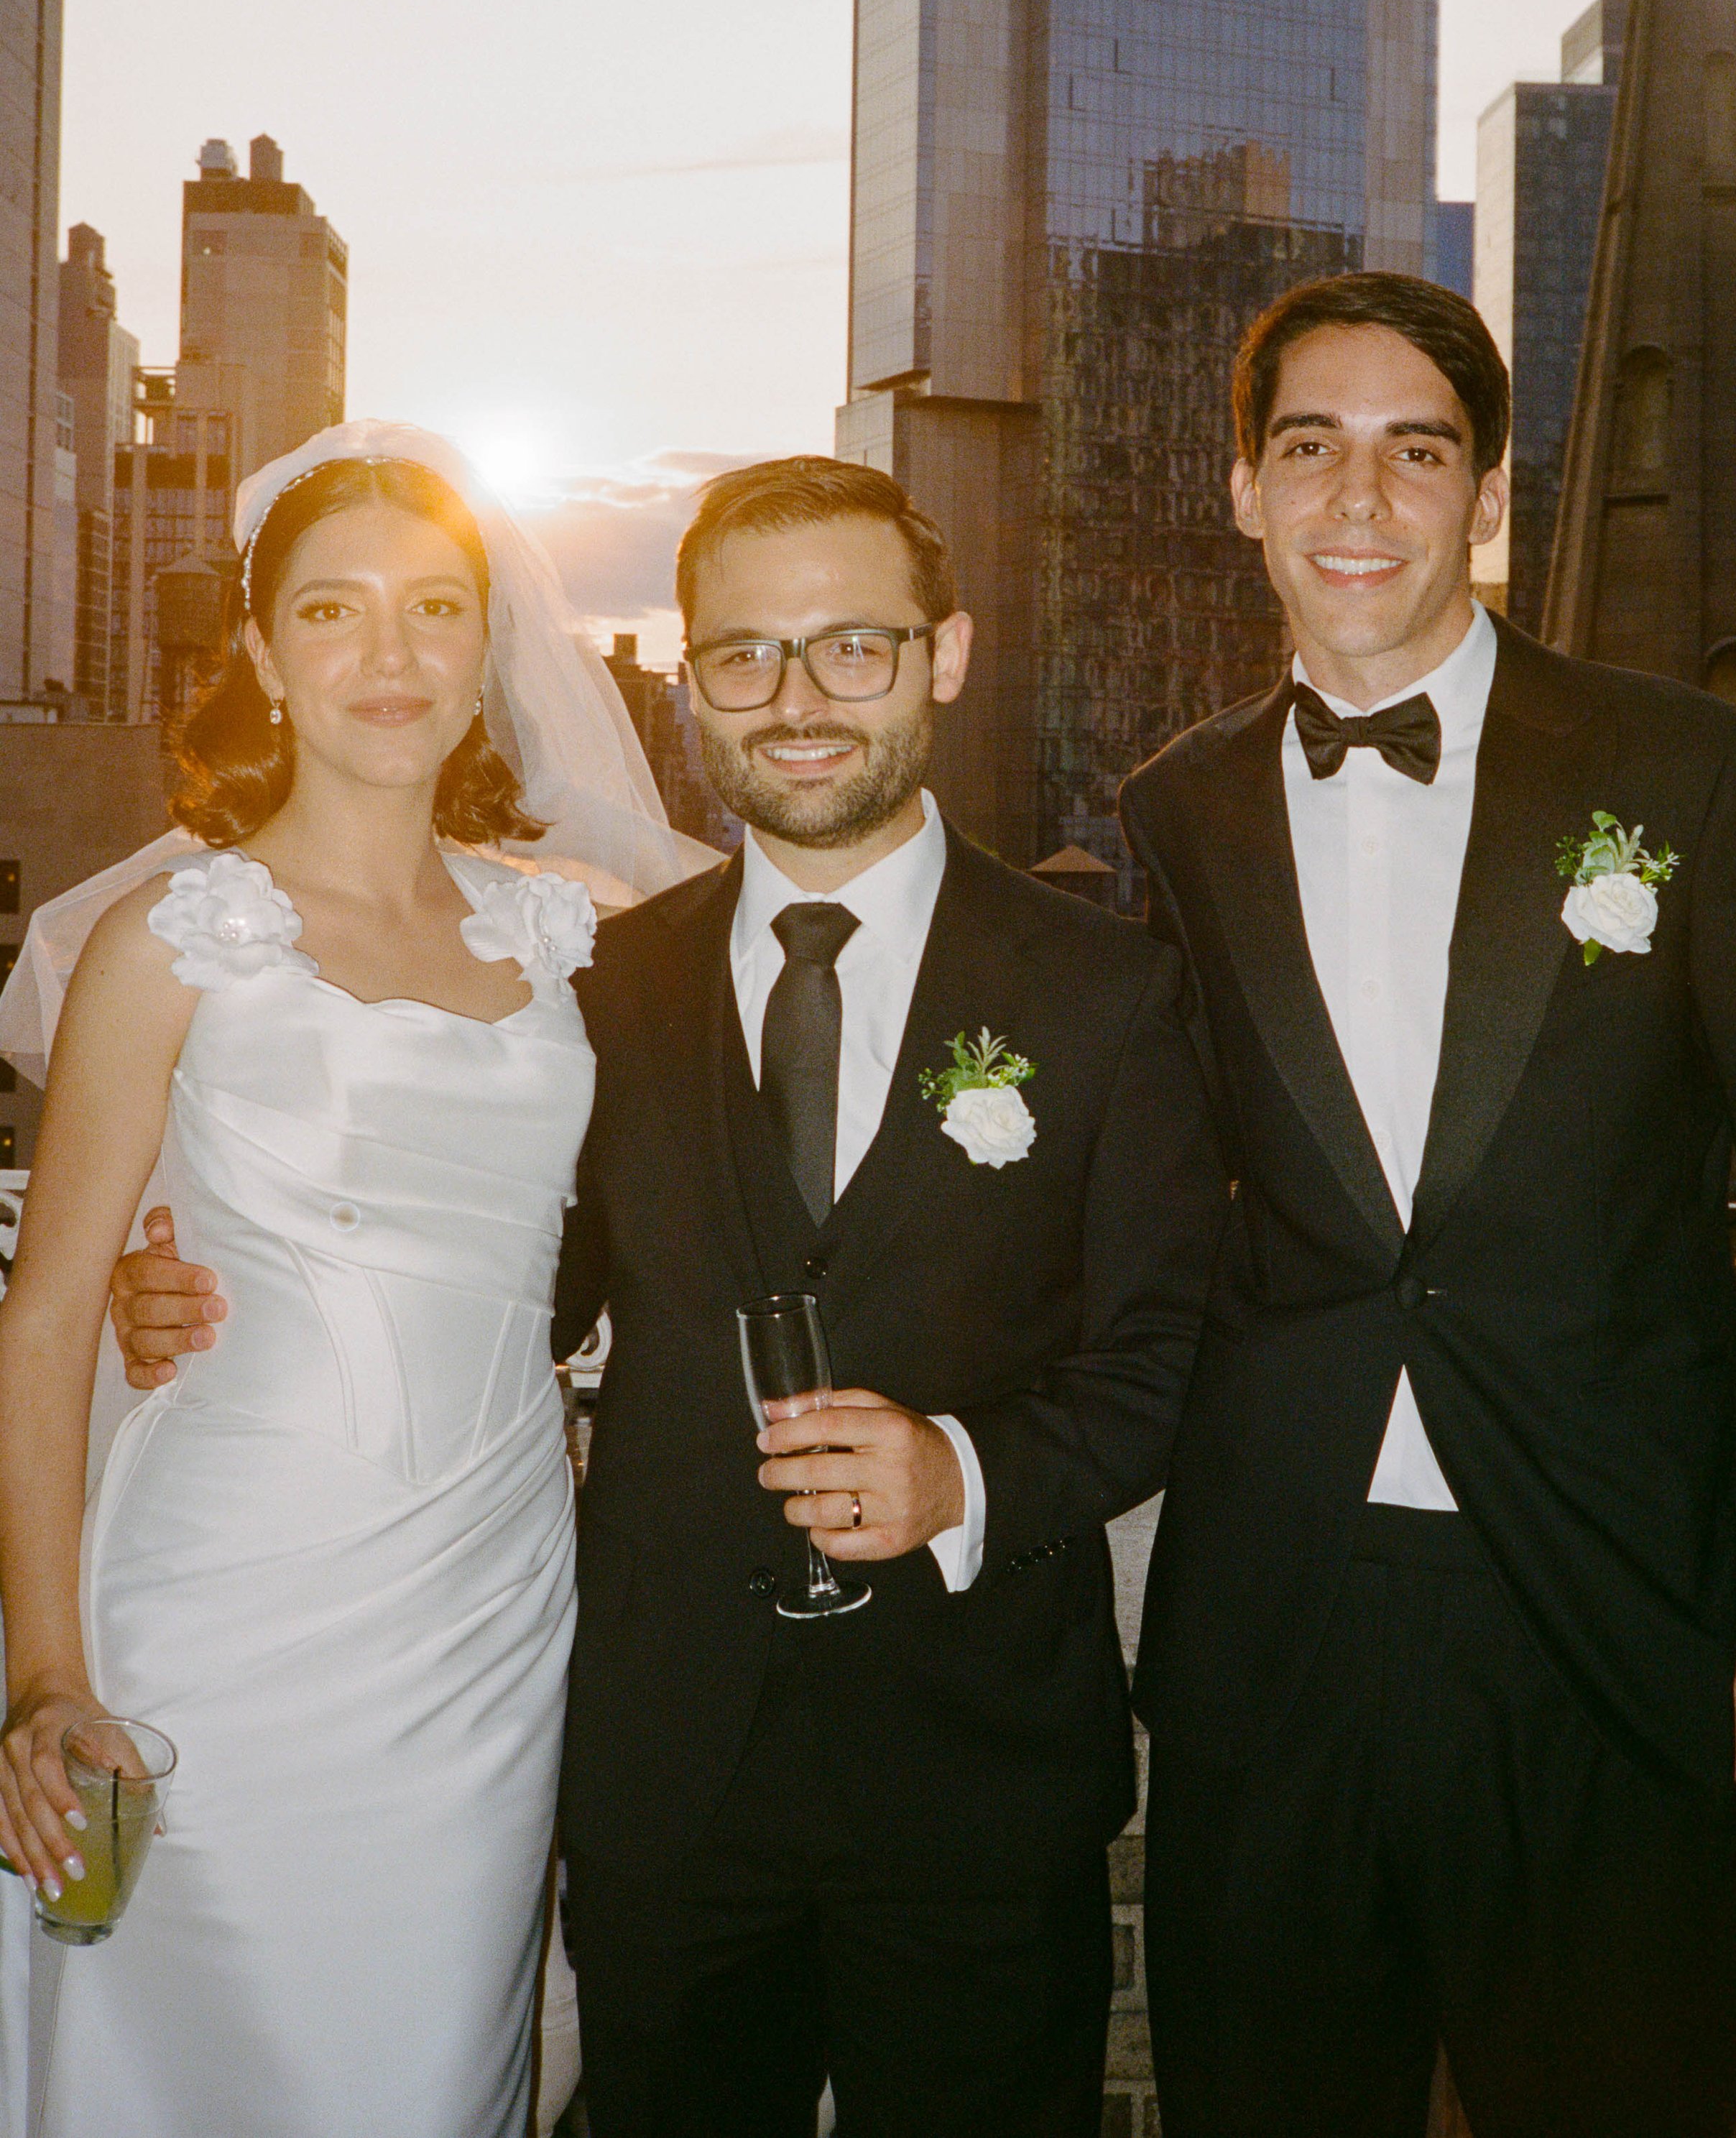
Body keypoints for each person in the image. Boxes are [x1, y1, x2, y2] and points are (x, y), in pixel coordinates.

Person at [115, 452, 1224, 2137]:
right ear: (688, 670)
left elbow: (1165, 1353)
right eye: (741, 655)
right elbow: (499, 1277)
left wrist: (965, 1471)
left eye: (852, 646)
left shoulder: (1106, 991)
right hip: (661, 1768)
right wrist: (213, 1284)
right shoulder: (593, 979)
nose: (793, 701)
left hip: (975, 1779)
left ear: (944, 653)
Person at [1119, 272, 1736, 2137]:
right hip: (1273, 1641)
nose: (1358, 500)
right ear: (1243, 490)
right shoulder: (1172, 815)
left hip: (1603, 1629)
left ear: (1484, 497)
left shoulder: (1694, 779)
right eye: (1308, 448)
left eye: (1413, 453)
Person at [0, 420, 699, 2138]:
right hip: (216, 1594)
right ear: (260, 650)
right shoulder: (168, 944)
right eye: (331, 613)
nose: (389, 658)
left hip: (485, 1601)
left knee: (423, 2055)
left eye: (435, 608)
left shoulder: (580, 933)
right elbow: (47, 1307)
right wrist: (41, 1672)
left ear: (489, 646)